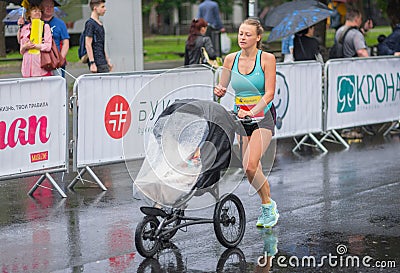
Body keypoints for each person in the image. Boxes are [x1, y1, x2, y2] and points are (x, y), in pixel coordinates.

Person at [214, 19, 279, 228]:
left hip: (263, 117)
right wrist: (218, 91)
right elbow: (221, 87)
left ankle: (268, 207)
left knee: (251, 165)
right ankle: (269, 204)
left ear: (258, 37)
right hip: (241, 118)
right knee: (250, 168)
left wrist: (253, 111)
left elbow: (269, 93)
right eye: (240, 33)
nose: (242, 37)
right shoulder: (230, 59)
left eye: (248, 34)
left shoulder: (267, 59)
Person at [19, 3, 52, 78]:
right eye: (35, 11)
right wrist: (25, 46)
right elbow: (21, 51)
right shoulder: (24, 28)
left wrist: (35, 46)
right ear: (29, 14)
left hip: (40, 66)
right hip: (27, 67)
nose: (38, 12)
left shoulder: (45, 27)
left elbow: (48, 46)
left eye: (39, 11)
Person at [40, 0, 69, 77]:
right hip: (40, 61)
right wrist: (21, 26)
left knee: (59, 85)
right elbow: (21, 40)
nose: (49, 8)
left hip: (56, 60)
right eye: (46, 6)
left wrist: (61, 59)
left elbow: (66, 42)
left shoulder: (60, 23)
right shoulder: (35, 23)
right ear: (41, 8)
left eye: (51, 6)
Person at [84, 0, 113, 73]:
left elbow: (100, 44)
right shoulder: (90, 23)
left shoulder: (99, 23)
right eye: (102, 7)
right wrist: (92, 63)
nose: (105, 9)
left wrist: (107, 60)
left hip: (103, 61)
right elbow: (88, 44)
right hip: (97, 62)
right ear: (95, 8)